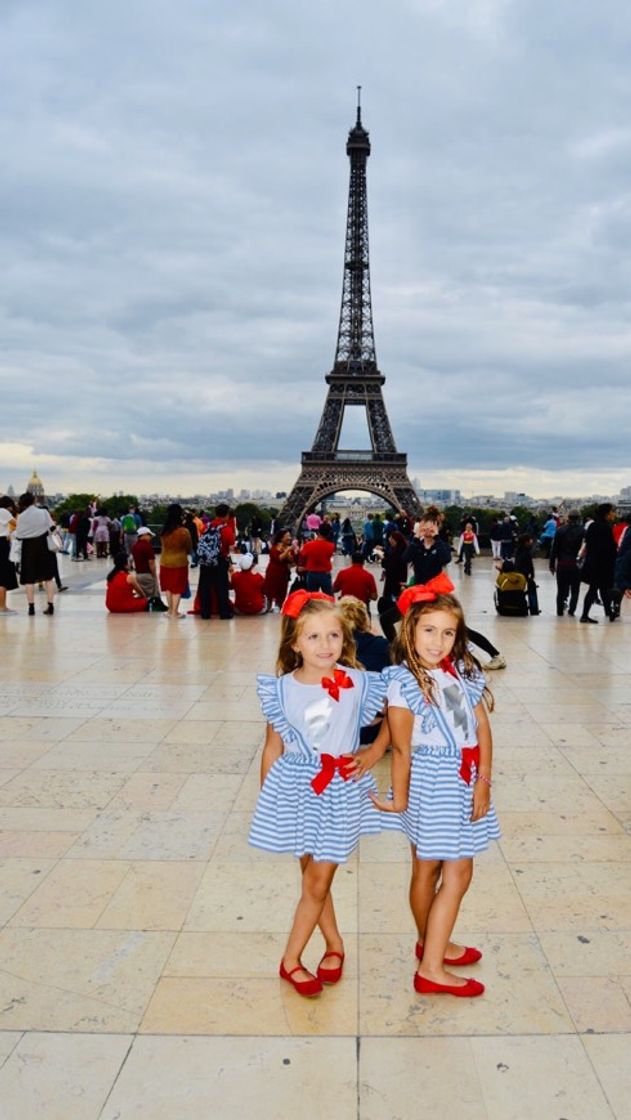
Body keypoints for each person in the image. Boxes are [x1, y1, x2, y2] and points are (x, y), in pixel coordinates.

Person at [248, 590, 386, 998]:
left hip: (339, 788)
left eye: (333, 636)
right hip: (295, 789)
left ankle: (290, 960)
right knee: (313, 877)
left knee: (318, 879)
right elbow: (272, 746)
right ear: (295, 642)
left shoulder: (360, 682)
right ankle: (334, 944)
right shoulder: (282, 690)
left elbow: (400, 713)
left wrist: (374, 751)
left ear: (346, 639)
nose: (325, 646)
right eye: (313, 637)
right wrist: (269, 800)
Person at [372, 573, 500, 998]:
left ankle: (433, 942)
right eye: (429, 630)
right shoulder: (403, 680)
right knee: (457, 871)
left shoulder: (462, 672)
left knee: (431, 868)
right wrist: (399, 797)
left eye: (448, 633)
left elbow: (482, 730)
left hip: (462, 780)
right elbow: (402, 747)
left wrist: (483, 782)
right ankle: (431, 968)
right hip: (434, 783)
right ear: (410, 630)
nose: (438, 641)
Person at [15, 493, 56, 615]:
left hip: (28, 548)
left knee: (29, 579)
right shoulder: (43, 512)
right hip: (44, 546)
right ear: (33, 501)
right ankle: (50, 605)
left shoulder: (21, 517)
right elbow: (52, 527)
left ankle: (31, 607)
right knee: (48, 577)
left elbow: (19, 535)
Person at [579, 503, 617, 623]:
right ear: (607, 513)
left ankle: (609, 613)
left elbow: (589, 543)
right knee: (595, 589)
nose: (614, 514)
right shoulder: (605, 527)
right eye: (612, 511)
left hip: (593, 562)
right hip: (602, 563)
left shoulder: (593, 525)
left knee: (601, 588)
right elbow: (609, 547)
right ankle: (584, 615)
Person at [198, 502, 236, 620]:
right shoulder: (227, 529)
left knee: (205, 586)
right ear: (227, 515)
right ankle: (224, 613)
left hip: (205, 560)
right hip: (220, 560)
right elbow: (230, 549)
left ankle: (205, 612)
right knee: (221, 587)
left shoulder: (206, 526)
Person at [159, 503, 192, 618]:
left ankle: (169, 611)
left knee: (168, 587)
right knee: (177, 588)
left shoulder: (164, 531)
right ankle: (175, 612)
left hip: (165, 561)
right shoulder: (184, 532)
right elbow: (188, 548)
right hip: (179, 562)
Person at [549, 511, 583, 617]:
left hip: (562, 564)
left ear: (568, 518)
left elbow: (554, 549)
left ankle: (559, 611)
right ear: (578, 518)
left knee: (561, 589)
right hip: (576, 564)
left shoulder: (560, 530)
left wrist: (551, 564)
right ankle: (572, 611)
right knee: (575, 590)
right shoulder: (583, 531)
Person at [263, 528, 296, 613]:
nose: (289, 538)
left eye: (290, 536)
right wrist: (288, 550)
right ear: (281, 538)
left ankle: (278, 608)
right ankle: (268, 607)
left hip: (284, 574)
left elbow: (293, 561)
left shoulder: (289, 548)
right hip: (273, 573)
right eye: (287, 536)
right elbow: (279, 558)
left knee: (281, 593)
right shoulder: (275, 548)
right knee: (270, 592)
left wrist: (294, 552)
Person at [299, 524, 335, 595]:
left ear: (318, 532)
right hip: (325, 573)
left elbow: (302, 558)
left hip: (312, 573)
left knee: (312, 597)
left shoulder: (308, 545)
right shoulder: (331, 546)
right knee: (329, 597)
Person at [131, 527, 164, 605]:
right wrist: (154, 575)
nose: (151, 537)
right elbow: (151, 563)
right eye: (149, 535)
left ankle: (143, 606)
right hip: (147, 574)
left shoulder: (134, 546)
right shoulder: (147, 546)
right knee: (154, 595)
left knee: (142, 594)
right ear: (144, 535)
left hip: (138, 575)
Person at [0, 496, 18, 613]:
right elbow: (17, 524)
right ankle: (2, 607)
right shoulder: (3, 511)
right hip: (1, 544)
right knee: (3, 576)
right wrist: (10, 532)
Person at [514, 534, 540, 614]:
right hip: (524, 574)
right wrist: (532, 575)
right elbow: (530, 564)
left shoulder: (518, 551)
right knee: (530, 589)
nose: (531, 542)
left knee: (519, 591)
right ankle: (533, 608)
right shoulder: (527, 552)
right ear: (526, 542)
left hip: (517, 573)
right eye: (529, 540)